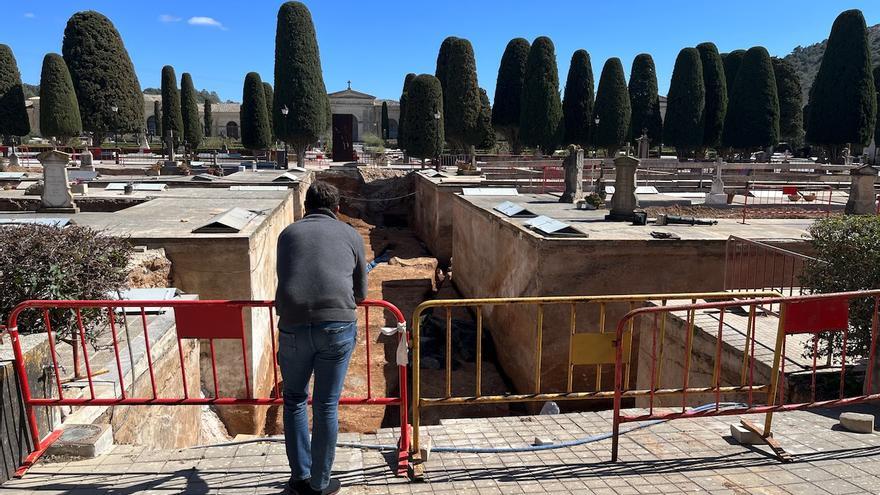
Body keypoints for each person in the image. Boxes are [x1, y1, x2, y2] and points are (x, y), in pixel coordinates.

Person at [275, 181, 367, 495]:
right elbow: (362, 293)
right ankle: (320, 483)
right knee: (326, 405)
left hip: (293, 327)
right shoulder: (352, 235)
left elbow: (286, 276)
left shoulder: (288, 234)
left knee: (294, 401)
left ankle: (299, 477)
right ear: (337, 208)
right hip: (337, 327)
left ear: (306, 207)